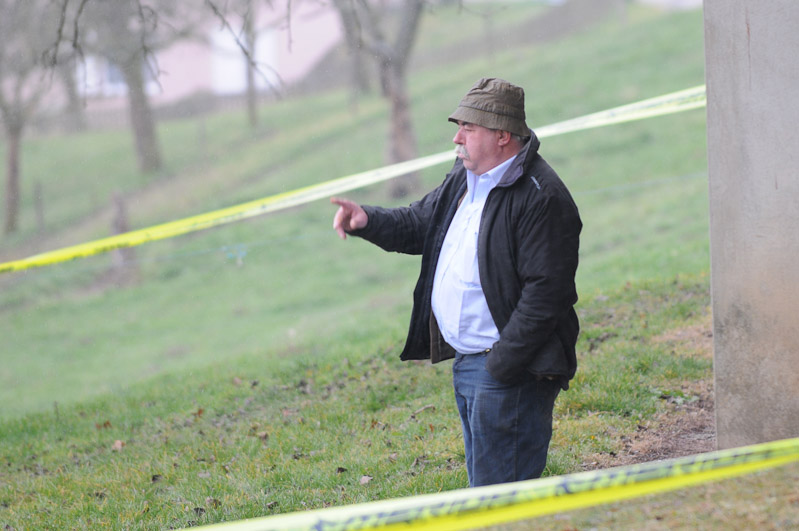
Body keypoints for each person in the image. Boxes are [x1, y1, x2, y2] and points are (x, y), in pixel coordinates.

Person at [331, 78, 581, 487]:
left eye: (468, 127)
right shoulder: (464, 179)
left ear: (502, 135)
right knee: (487, 493)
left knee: (500, 500)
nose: (456, 138)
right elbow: (420, 224)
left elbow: (547, 294)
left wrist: (502, 366)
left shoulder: (541, 196)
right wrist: (367, 220)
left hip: (508, 372)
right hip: (472, 365)